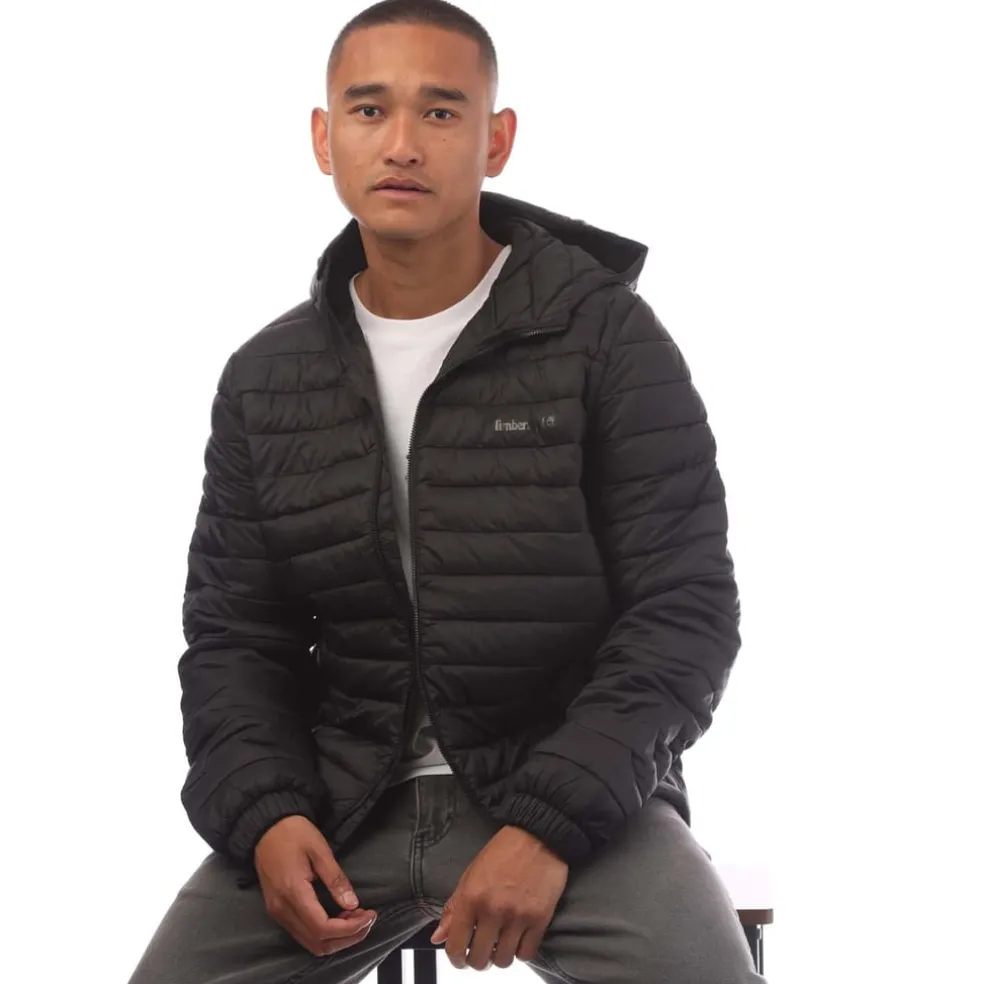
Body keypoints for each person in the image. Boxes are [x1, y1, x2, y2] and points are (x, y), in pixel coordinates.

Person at [127, 1, 762, 981]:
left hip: (569, 801)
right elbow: (236, 638)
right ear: (323, 138)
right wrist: (266, 814)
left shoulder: (604, 339)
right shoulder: (266, 378)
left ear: (494, 140)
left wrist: (548, 826)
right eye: (368, 110)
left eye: (439, 111)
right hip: (340, 805)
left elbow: (685, 610)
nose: (401, 144)